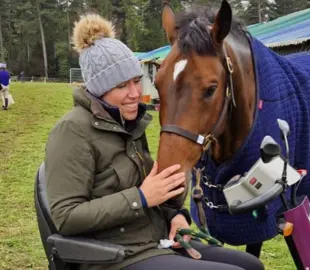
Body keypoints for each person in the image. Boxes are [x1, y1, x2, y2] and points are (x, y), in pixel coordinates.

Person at [44, 14, 265, 270]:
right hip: (115, 257)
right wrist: (140, 197)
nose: (135, 93)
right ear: (98, 90)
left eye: (137, 81)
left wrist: (177, 216)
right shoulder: (71, 131)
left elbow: (155, 195)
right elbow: (66, 217)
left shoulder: (131, 126)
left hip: (157, 242)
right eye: (121, 85)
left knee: (252, 265)